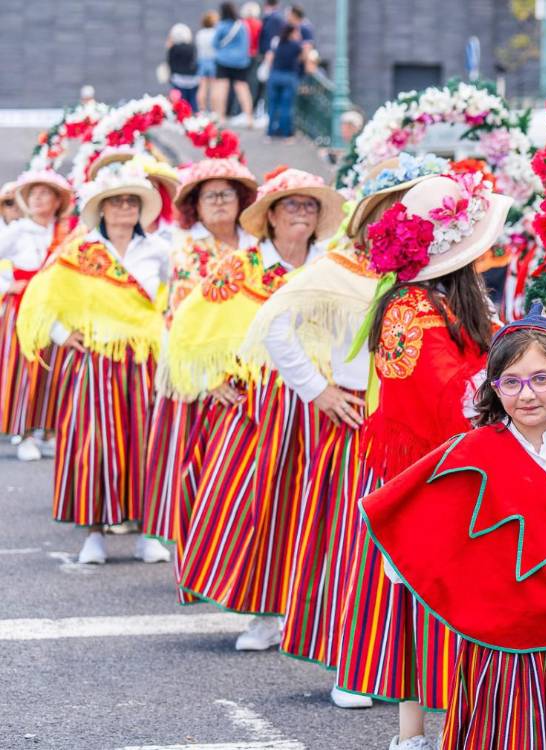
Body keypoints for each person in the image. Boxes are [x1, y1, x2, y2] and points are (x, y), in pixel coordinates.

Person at [364, 302, 546, 750]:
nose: (527, 394)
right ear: (493, 389)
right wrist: (421, 570)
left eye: (541, 379)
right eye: (511, 382)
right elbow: (416, 524)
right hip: (493, 638)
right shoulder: (471, 451)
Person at [343, 167, 509, 750]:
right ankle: (413, 731)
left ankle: (456, 723)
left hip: (461, 460)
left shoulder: (445, 300)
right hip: (432, 471)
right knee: (425, 597)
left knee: (454, 595)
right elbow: (444, 395)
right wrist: (512, 386)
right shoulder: (409, 310)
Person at [173, 168, 343, 650]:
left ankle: (311, 615)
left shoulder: (332, 268)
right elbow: (192, 328)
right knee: (257, 504)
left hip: (320, 404)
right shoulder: (240, 268)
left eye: (310, 206)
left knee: (317, 507)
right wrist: (211, 378)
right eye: (292, 205)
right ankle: (264, 613)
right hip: (258, 403)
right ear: (269, 216)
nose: (302, 213)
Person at [238, 211, 382, 710]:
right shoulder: (335, 268)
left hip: (416, 424)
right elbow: (276, 326)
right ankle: (352, 665)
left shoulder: (433, 272)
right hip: (355, 418)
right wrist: (317, 389)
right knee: (353, 545)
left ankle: (404, 668)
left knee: (410, 552)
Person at [15, 162, 171, 565]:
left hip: (144, 363)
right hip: (93, 365)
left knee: (146, 445)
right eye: (115, 201)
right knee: (93, 447)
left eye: (131, 202)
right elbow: (40, 298)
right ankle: (94, 534)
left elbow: (175, 303)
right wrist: (62, 334)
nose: (123, 208)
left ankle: (146, 533)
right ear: (101, 209)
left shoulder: (158, 250)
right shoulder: (80, 252)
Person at [140, 158, 259, 548]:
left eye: (228, 194)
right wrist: (209, 379)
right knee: (195, 465)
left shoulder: (259, 247)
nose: (221, 202)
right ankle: (195, 552)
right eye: (211, 196)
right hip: (203, 376)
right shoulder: (188, 252)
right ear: (195, 204)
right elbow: (183, 319)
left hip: (256, 371)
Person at [0, 170, 75, 462]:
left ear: (57, 201)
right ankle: (25, 433)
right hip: (22, 310)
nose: (38, 199)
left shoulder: (66, 234)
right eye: (33, 194)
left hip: (57, 310)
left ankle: (49, 431)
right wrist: (7, 286)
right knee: (23, 373)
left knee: (55, 369)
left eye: (45, 193)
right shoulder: (18, 230)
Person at [212, 2, 256, 128]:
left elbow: (215, 43)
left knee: (221, 88)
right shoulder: (241, 25)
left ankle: (220, 117)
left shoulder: (221, 26)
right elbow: (247, 43)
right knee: (242, 88)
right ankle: (249, 117)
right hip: (241, 62)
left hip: (223, 60)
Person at [263, 23, 305, 139]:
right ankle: (286, 133)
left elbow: (270, 58)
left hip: (275, 75)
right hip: (289, 77)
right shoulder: (296, 45)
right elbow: (303, 59)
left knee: (272, 106)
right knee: (286, 106)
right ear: (292, 33)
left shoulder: (278, 43)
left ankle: (270, 132)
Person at [166, 24, 200, 111]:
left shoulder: (173, 49)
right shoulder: (192, 47)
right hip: (192, 79)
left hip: (178, 79)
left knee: (180, 102)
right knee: (192, 101)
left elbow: (170, 63)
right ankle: (195, 116)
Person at [195, 12, 219, 117]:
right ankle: (214, 111)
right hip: (213, 60)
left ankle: (202, 110)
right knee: (214, 87)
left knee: (202, 86)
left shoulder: (200, 33)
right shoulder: (215, 33)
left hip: (202, 60)